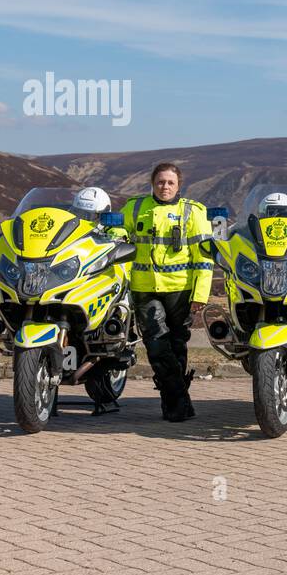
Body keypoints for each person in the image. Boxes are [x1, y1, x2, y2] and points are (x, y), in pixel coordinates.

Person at [120, 163, 212, 423]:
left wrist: (200, 295)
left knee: (176, 345)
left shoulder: (193, 212)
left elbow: (204, 258)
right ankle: (179, 402)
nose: (165, 187)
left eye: (170, 182)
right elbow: (116, 237)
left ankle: (174, 404)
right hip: (144, 288)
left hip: (180, 290)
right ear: (152, 183)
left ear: (179, 185)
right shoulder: (134, 208)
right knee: (157, 344)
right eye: (160, 182)